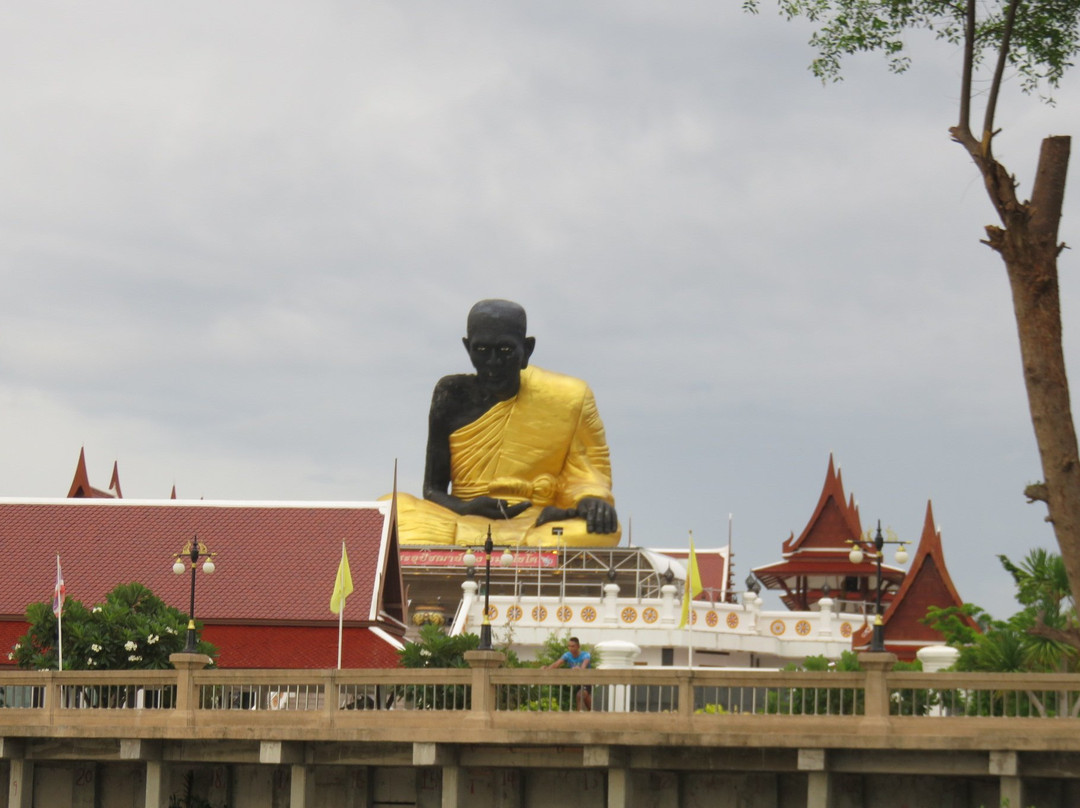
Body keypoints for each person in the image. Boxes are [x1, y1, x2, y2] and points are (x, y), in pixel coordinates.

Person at [394, 299, 620, 547]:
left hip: (535, 519)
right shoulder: (450, 394)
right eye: (481, 350)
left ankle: (498, 542)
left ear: (527, 349)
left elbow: (587, 473)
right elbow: (432, 490)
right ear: (467, 348)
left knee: (601, 531)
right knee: (395, 512)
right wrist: (468, 507)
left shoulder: (569, 397)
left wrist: (591, 501)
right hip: (460, 516)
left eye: (505, 350)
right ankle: (506, 544)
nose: (493, 363)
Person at [546, 636, 592, 711]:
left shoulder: (585, 655)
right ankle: (593, 714)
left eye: (573, 646)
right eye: (569, 646)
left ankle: (578, 717)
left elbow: (584, 667)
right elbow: (557, 664)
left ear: (578, 646)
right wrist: (547, 669)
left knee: (580, 696)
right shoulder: (567, 655)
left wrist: (579, 669)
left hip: (587, 680)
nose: (571, 648)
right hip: (578, 681)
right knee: (587, 701)